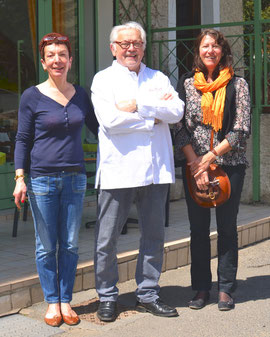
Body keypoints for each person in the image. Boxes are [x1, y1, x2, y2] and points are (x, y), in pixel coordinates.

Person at [91, 21, 185, 322]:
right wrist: (153, 116)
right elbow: (110, 122)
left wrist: (137, 105)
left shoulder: (157, 77)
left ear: (143, 47)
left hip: (155, 170)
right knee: (107, 239)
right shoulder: (103, 80)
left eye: (136, 43)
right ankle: (107, 296)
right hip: (118, 171)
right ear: (113, 48)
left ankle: (148, 294)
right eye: (124, 44)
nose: (131, 48)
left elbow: (177, 112)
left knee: (154, 235)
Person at [13, 32, 98, 327]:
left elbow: (102, 129)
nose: (57, 60)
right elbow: (23, 139)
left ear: (70, 60)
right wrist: (20, 177)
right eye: (51, 55)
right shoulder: (31, 96)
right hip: (41, 181)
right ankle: (51, 302)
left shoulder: (82, 95)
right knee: (46, 245)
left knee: (71, 244)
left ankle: (65, 300)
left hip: (75, 179)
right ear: (43, 61)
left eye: (62, 54)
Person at [174, 29, 251, 311]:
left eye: (216, 46)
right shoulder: (185, 83)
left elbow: (241, 130)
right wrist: (196, 162)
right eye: (205, 46)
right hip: (194, 166)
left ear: (223, 51)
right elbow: (178, 126)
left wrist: (209, 158)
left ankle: (226, 289)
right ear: (198, 50)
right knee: (198, 229)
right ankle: (201, 288)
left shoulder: (238, 84)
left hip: (229, 166)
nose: (211, 50)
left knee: (227, 227)